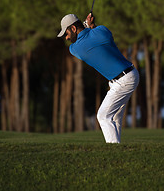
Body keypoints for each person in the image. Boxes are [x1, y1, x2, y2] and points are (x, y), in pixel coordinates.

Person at [57, 13, 139, 143]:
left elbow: (86, 38)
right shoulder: (102, 30)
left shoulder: (75, 49)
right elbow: (95, 35)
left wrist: (86, 25)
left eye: (66, 33)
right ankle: (118, 149)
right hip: (129, 74)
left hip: (123, 81)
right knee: (115, 117)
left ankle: (113, 151)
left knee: (103, 116)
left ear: (73, 28)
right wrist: (90, 25)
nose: (66, 38)